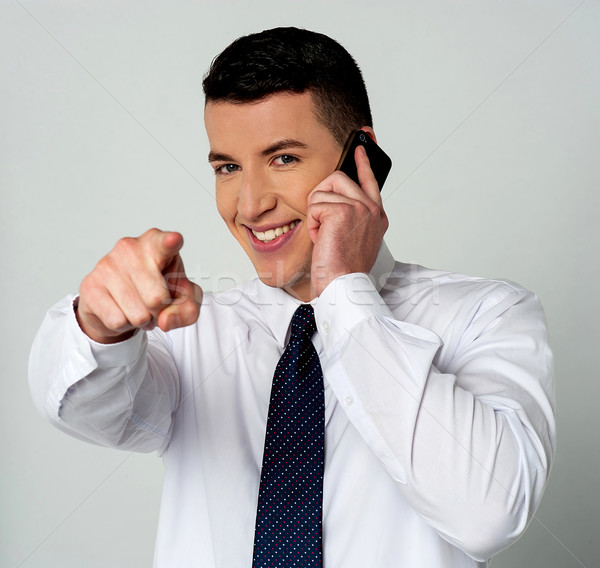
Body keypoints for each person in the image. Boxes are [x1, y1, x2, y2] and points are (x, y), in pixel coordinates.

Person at [29, 27, 555, 567]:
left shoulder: (486, 316)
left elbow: (490, 513)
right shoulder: (191, 332)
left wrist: (343, 295)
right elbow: (78, 408)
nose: (251, 205)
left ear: (361, 159)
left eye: (282, 158)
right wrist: (100, 324)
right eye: (228, 167)